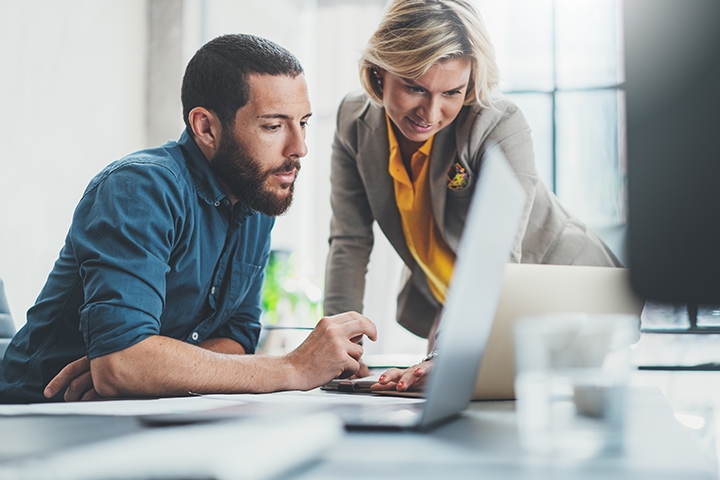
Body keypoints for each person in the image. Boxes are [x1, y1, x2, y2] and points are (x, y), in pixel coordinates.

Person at [0, 34, 376, 404]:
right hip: (35, 414)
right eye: (273, 126)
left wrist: (151, 368)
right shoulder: (139, 188)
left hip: (139, 415)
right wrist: (292, 368)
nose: (300, 148)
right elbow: (122, 365)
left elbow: (238, 337)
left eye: (304, 122)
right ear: (206, 128)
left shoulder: (255, 196)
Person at [322, 0, 620, 392]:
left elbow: (494, 260)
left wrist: (447, 353)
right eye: (414, 87)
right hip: (458, 306)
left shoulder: (498, 125)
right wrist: (340, 351)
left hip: (562, 298)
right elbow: (349, 242)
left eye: (452, 92)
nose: (430, 111)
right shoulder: (352, 121)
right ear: (379, 73)